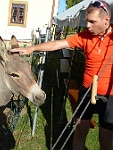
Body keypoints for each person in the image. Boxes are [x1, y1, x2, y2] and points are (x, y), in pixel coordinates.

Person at [10, 1, 113, 150]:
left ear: (106, 20)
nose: (88, 26)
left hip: (110, 97)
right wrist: (32, 48)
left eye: (92, 22)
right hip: (86, 92)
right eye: (86, 21)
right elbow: (57, 44)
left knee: (105, 140)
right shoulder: (85, 36)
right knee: (80, 131)